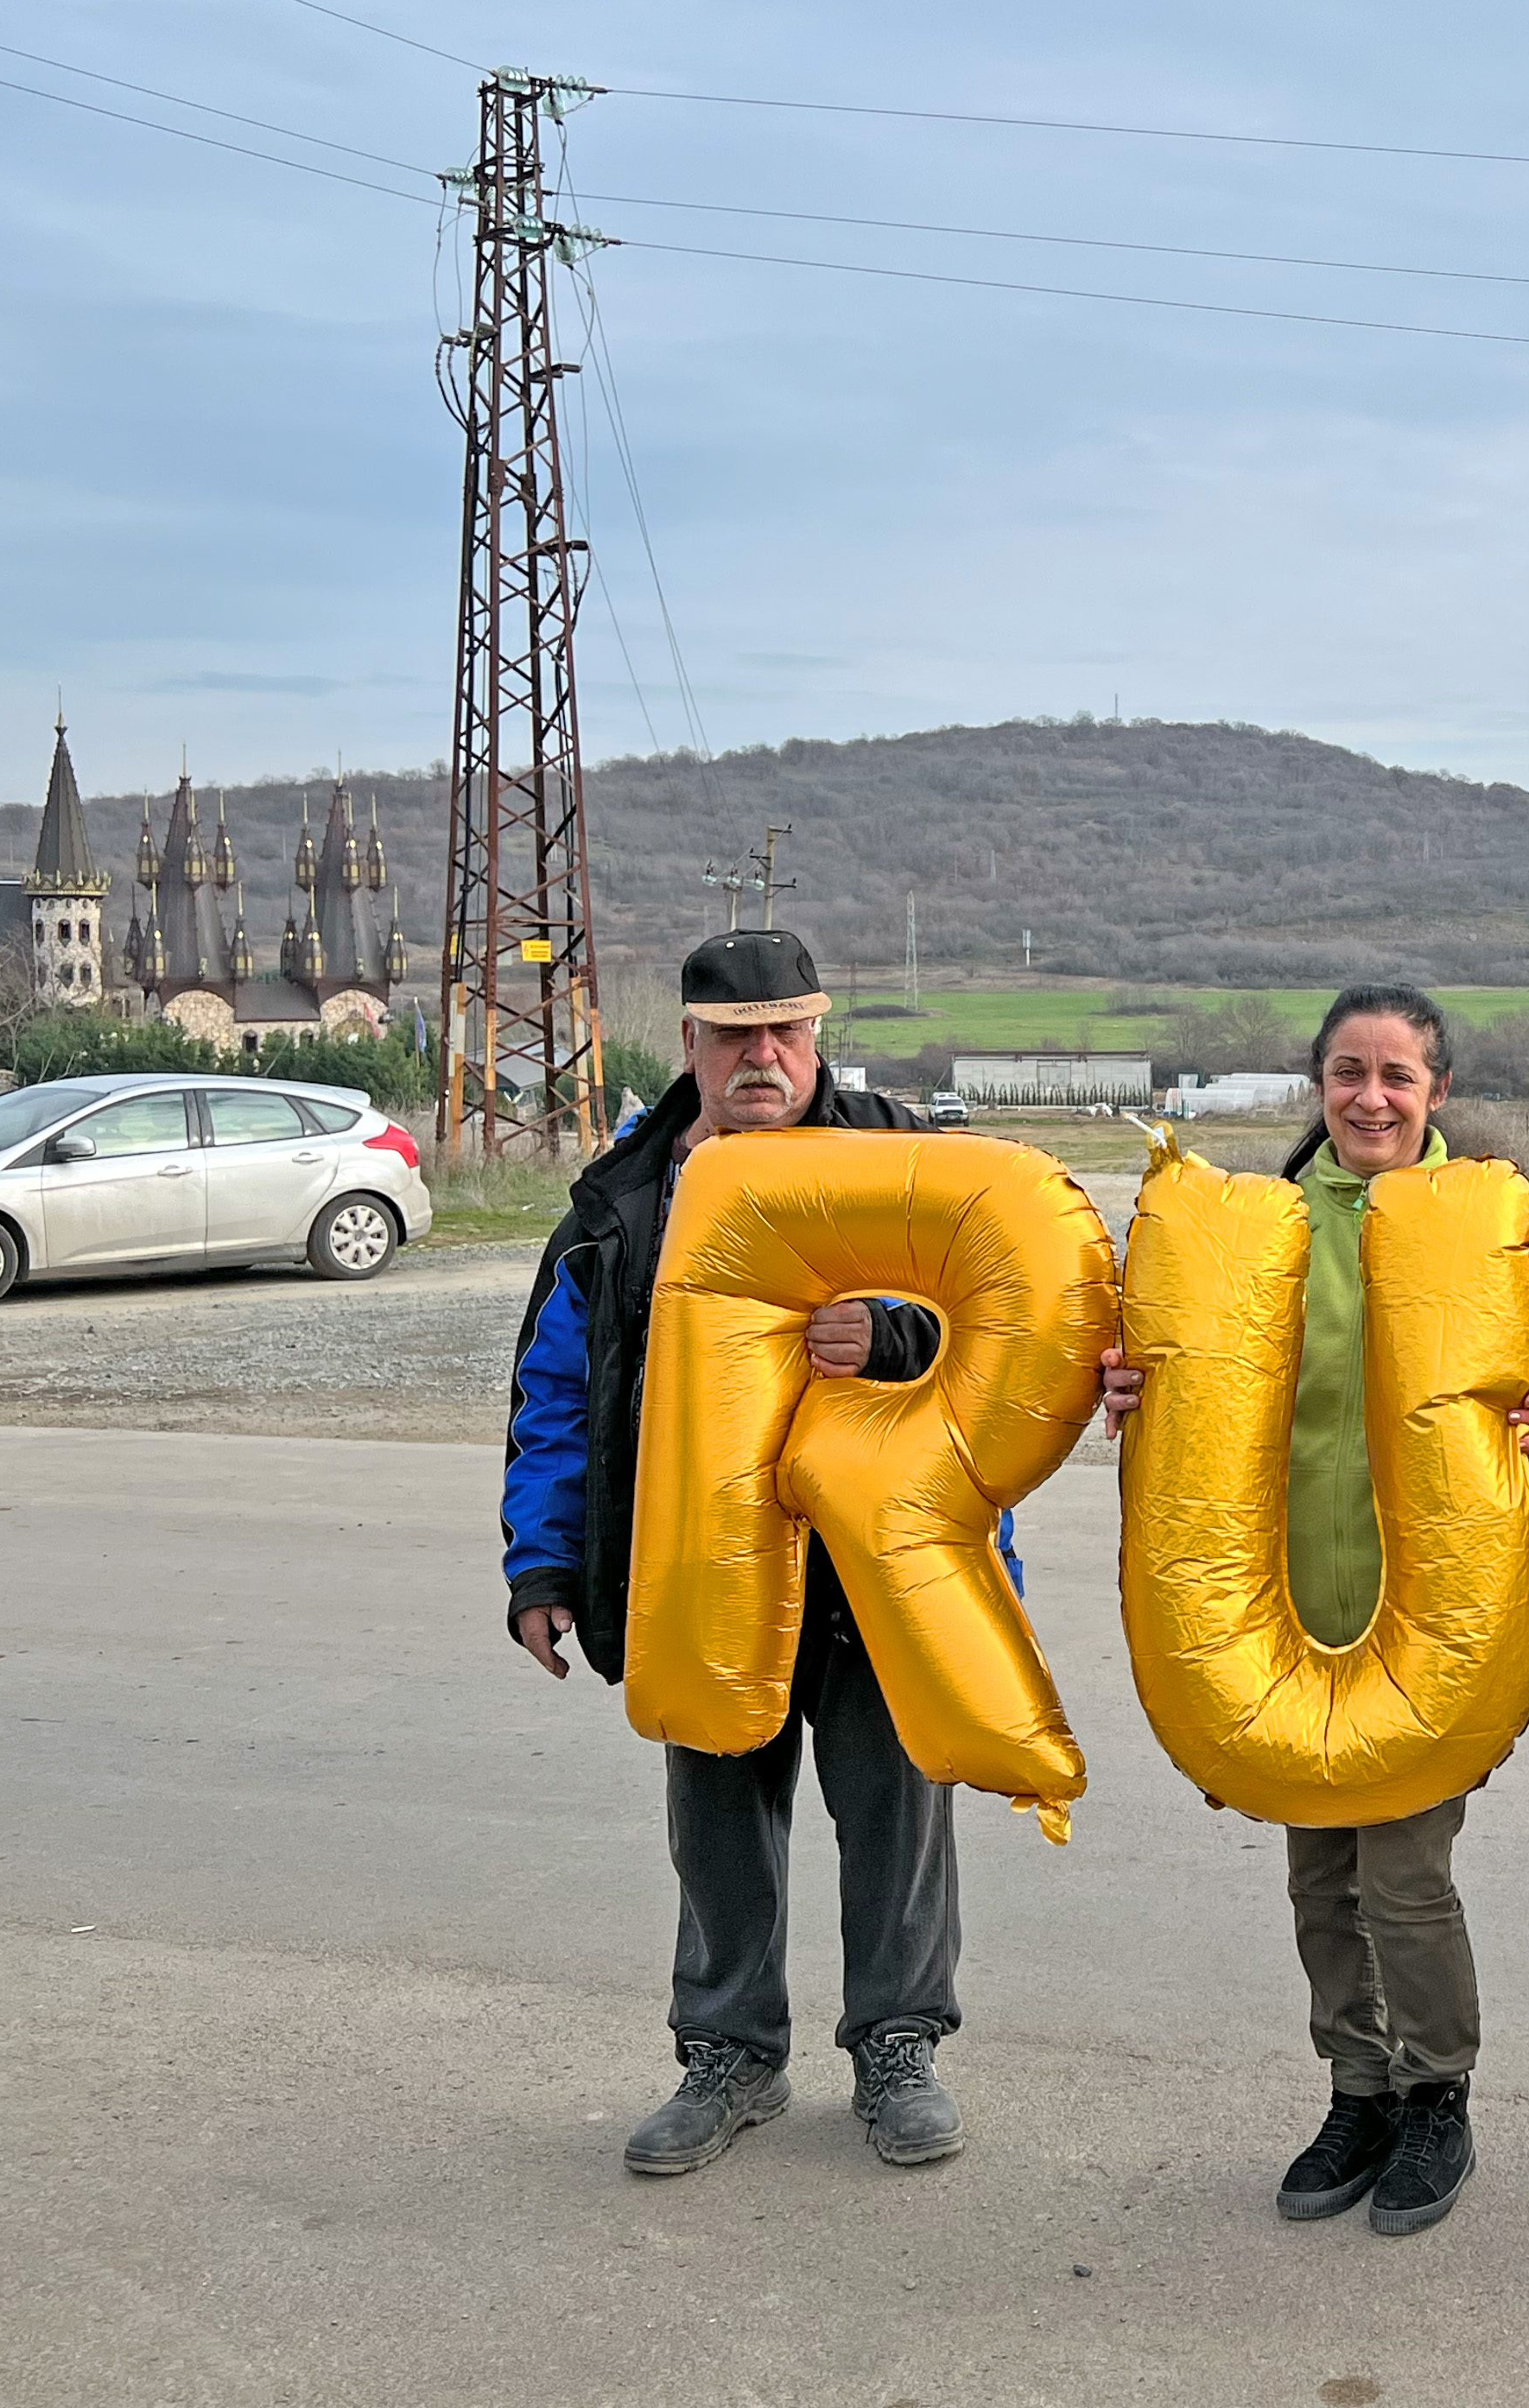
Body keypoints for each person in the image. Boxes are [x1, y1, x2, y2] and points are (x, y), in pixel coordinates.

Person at [1097, 986, 1529, 2237]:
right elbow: (1170, 1375)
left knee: (1404, 1878)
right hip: (1280, 1596)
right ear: (1318, 1084)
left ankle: (1436, 2092)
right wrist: (1125, 1382)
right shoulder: (1260, 1224)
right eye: (1348, 1072)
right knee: (1318, 1879)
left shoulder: (1481, 1222)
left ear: (1437, 1091)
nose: (1370, 1097)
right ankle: (1357, 2089)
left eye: (1397, 1075)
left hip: (1432, 1608)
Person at [501, 928, 999, 2179]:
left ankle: (897, 2046)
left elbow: (998, 1332)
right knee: (717, 1823)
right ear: (690, 1044)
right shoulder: (624, 1200)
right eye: (734, 1036)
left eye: (785, 1031)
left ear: (818, 1033)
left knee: (896, 1814)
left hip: (877, 1562)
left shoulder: (904, 1161)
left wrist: (891, 1335)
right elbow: (558, 1393)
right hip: (692, 1567)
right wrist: (543, 1568)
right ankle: (730, 2055)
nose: (762, 1057)